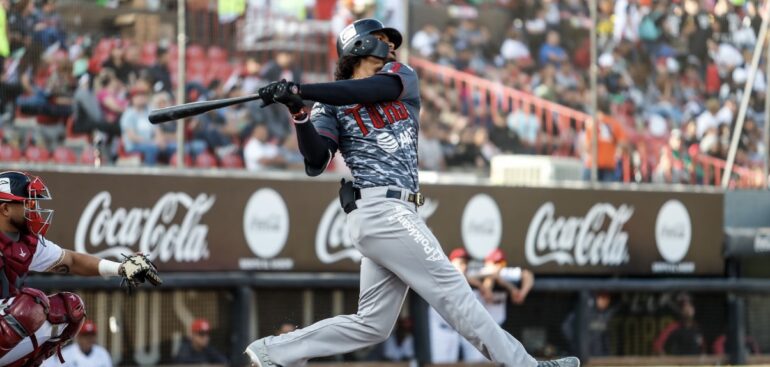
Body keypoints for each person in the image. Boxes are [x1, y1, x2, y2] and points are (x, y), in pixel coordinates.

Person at [244, 18, 579, 367]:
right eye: (381, 38)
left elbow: (364, 92)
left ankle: (273, 352)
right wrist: (298, 112)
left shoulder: (401, 77)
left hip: (395, 213)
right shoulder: (328, 106)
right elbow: (316, 160)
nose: (390, 44)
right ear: (357, 45)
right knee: (454, 291)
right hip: (380, 210)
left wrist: (301, 90)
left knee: (372, 325)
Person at [0, 171, 161, 366]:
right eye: (29, 203)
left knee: (70, 307)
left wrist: (121, 268)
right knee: (29, 305)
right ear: (6, 208)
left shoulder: (28, 243)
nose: (35, 209)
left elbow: (72, 260)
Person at [561, 292, 617, 357]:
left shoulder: (606, 314)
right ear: (596, 298)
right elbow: (566, 327)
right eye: (602, 298)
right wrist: (577, 344)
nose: (605, 302)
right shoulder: (584, 311)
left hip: (600, 357)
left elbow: (605, 339)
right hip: (584, 356)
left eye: (607, 299)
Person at [42, 319, 112, 366]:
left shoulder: (103, 353)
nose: (89, 339)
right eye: (85, 336)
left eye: (91, 335)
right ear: (79, 337)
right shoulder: (66, 354)